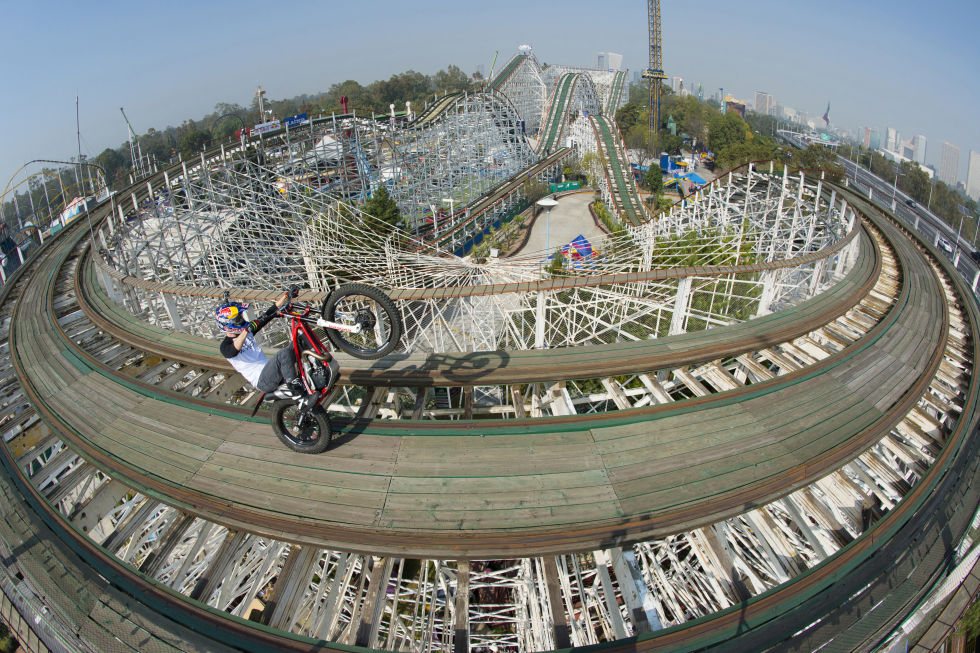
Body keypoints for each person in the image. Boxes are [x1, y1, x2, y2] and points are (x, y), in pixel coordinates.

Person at [216, 291, 308, 400]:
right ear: (228, 324)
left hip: (271, 370)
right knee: (283, 353)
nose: (241, 320)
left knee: (299, 338)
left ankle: (314, 369)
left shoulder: (247, 332)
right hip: (262, 380)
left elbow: (267, 315)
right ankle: (295, 389)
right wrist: (246, 331)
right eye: (238, 319)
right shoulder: (225, 346)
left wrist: (285, 297)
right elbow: (233, 350)